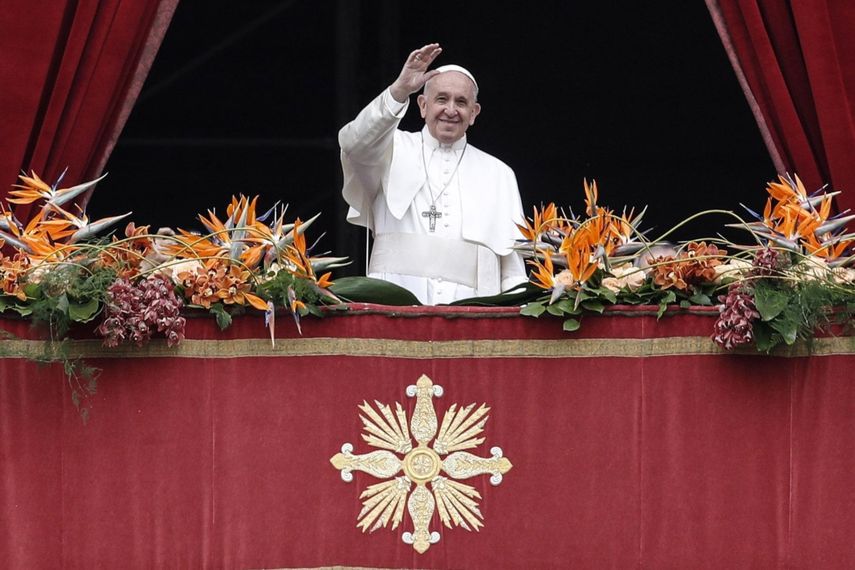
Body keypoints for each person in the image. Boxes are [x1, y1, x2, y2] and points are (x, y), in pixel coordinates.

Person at [339, 43, 527, 305]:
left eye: (461, 102)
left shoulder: (499, 174)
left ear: (473, 113)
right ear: (423, 105)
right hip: (394, 316)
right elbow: (352, 144)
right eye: (441, 99)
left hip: (472, 326)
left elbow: (513, 271)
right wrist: (399, 91)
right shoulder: (389, 150)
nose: (451, 110)